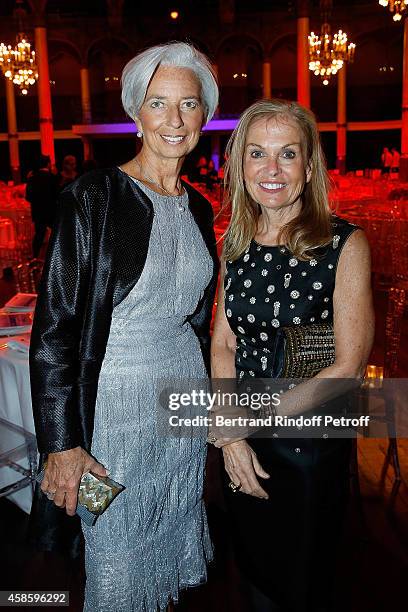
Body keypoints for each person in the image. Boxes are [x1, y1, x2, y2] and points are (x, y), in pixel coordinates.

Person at [29, 42, 219, 611]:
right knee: (113, 549)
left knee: (168, 536)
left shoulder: (201, 207)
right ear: (136, 111)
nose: (174, 119)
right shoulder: (92, 198)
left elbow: (200, 320)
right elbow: (54, 331)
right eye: (158, 102)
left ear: (204, 116)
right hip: (111, 410)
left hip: (183, 406)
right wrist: (62, 446)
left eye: (189, 104)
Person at [211, 99, 374, 612]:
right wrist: (231, 428)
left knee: (300, 581)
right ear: (241, 167)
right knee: (253, 573)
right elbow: (223, 343)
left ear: (308, 167)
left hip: (306, 444)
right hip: (241, 439)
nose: (272, 169)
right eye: (257, 154)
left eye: (288, 154)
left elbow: (347, 365)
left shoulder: (345, 243)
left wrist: (247, 424)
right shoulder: (233, 245)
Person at [25, 154, 59, 258]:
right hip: (51, 212)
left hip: (38, 212)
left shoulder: (32, 179)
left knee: (39, 236)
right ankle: (57, 256)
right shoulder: (53, 178)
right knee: (56, 234)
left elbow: (28, 197)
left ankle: (35, 257)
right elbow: (57, 195)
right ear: (48, 164)